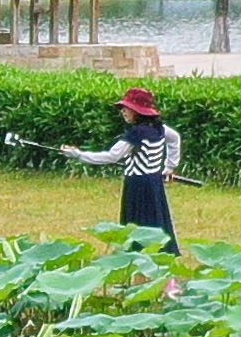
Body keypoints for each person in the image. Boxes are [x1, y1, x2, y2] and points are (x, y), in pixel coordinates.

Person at [45, 86, 182, 248]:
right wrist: (169, 167)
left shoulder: (136, 133)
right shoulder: (159, 128)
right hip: (154, 183)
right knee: (156, 220)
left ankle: (138, 257)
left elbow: (111, 156)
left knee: (138, 224)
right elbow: (175, 139)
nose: (123, 112)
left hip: (138, 185)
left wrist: (79, 155)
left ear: (138, 111)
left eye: (127, 108)